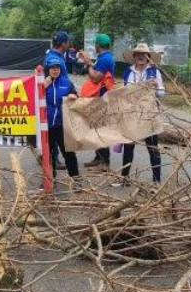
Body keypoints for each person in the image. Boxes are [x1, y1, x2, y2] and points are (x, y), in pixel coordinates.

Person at [114, 43, 166, 187]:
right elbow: (124, 93)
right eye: (138, 55)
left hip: (149, 114)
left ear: (148, 57)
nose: (141, 57)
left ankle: (156, 181)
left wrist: (156, 87)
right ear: (134, 57)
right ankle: (124, 179)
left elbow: (161, 93)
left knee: (152, 147)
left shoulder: (154, 72)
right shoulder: (128, 72)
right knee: (128, 146)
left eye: (144, 55)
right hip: (131, 113)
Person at [79, 33, 118, 169]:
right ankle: (98, 158)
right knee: (96, 129)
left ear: (97, 45)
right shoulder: (104, 58)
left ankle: (104, 162)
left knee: (100, 130)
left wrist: (88, 63)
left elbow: (96, 78)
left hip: (101, 98)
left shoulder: (105, 59)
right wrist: (89, 65)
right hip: (99, 97)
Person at [43, 55, 80, 182]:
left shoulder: (66, 82)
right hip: (46, 125)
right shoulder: (41, 82)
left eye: (57, 67)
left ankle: (75, 178)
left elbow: (76, 95)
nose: (55, 70)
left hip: (62, 125)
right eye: (52, 67)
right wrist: (43, 86)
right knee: (48, 154)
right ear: (48, 69)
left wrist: (73, 95)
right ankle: (49, 179)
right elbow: (33, 98)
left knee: (68, 153)